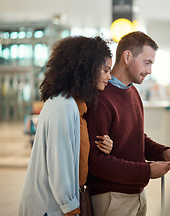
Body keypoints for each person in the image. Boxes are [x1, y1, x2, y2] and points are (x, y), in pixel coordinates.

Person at [85, 31, 170, 216]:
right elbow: (96, 161)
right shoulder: (101, 97)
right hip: (112, 198)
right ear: (127, 56)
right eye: (147, 62)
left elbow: (136, 137)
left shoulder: (132, 92)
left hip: (136, 195)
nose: (149, 70)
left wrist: (163, 152)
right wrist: (146, 171)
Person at [19, 36, 114, 216]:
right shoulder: (63, 106)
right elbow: (59, 160)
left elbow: (74, 147)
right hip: (50, 206)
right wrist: (71, 207)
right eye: (105, 70)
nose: (109, 76)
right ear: (88, 69)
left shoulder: (74, 104)